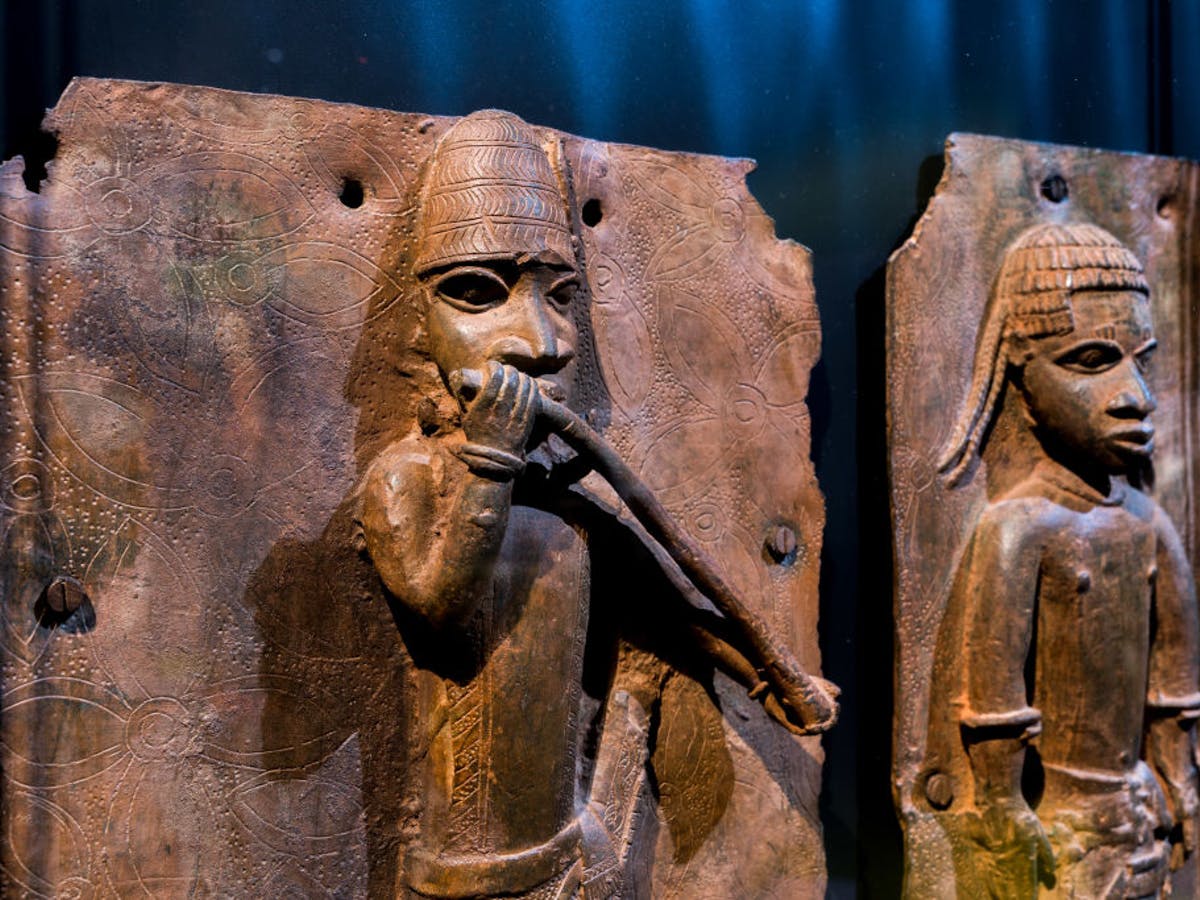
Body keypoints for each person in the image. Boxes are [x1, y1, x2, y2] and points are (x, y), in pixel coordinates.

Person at [354, 109, 833, 900]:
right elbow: (442, 609)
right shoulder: (409, 477)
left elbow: (671, 607)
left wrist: (769, 676)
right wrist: (490, 460)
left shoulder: (565, 507)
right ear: (415, 321)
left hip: (570, 852)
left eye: (561, 297)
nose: (545, 343)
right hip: (463, 873)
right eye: (476, 293)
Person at [931, 222, 1200, 897]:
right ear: (1021, 380)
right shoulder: (1019, 528)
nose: (1136, 396)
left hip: (1143, 815)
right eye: (1092, 361)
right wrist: (1002, 804)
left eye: (1142, 361)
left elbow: (1174, 683)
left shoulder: (1150, 524)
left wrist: (1180, 776)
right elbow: (994, 696)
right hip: (1062, 831)